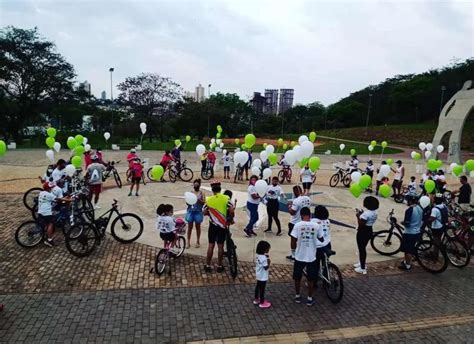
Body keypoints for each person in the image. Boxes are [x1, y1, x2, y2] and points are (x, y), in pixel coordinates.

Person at [291, 207, 324, 306]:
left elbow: (293, 240)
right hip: (311, 256)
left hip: (299, 256)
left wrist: (293, 253)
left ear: (301, 215)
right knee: (311, 278)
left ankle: (297, 296)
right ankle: (309, 298)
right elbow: (321, 239)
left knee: (297, 277)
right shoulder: (316, 226)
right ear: (310, 215)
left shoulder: (297, 225)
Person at [203, 180, 234, 272]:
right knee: (220, 246)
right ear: (220, 189)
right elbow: (231, 210)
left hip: (212, 225)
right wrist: (230, 218)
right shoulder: (226, 198)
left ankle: (208, 265)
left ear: (212, 190)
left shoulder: (208, 200)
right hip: (222, 226)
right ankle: (220, 266)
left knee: (211, 245)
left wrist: (210, 213)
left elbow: (204, 212)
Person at [37, 181, 70, 247]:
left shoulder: (41, 193)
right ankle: (49, 240)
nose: (51, 189)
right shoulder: (49, 195)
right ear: (48, 188)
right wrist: (69, 200)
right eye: (50, 188)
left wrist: (64, 198)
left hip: (40, 211)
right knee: (51, 224)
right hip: (46, 212)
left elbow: (56, 200)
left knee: (46, 224)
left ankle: (45, 236)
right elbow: (59, 199)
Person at [354, 196, 379, 274]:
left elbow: (361, 224)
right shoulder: (374, 212)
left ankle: (362, 268)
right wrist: (362, 214)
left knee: (361, 249)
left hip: (363, 231)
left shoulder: (367, 214)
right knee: (362, 248)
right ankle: (361, 263)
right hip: (369, 229)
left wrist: (358, 216)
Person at [399, 195, 423, 271]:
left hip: (409, 232)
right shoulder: (420, 208)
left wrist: (402, 222)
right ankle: (406, 261)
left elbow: (407, 223)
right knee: (410, 248)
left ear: (410, 201)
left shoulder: (409, 210)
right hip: (417, 231)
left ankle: (407, 265)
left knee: (408, 250)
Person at [287, 185, 311, 260]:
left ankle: (293, 255)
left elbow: (292, 212)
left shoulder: (296, 201)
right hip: (305, 222)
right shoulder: (308, 198)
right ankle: (303, 253)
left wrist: (289, 206)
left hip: (295, 222)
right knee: (303, 239)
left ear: (295, 192)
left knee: (293, 239)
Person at [313, 205, 331, 280]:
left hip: (318, 246)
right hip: (327, 244)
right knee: (325, 263)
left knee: (315, 264)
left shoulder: (313, 221)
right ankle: (326, 277)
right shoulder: (327, 221)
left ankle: (314, 281)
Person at [185, 179, 204, 248]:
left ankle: (198, 241)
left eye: (197, 185)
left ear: (199, 185)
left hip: (198, 212)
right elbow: (187, 203)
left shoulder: (202, 193)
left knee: (198, 227)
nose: (195, 186)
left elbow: (203, 203)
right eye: (194, 184)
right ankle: (188, 242)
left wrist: (198, 200)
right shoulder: (191, 193)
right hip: (191, 211)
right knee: (189, 227)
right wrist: (188, 202)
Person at [254, 240, 272, 309]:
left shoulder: (259, 256)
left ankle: (256, 299)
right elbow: (265, 267)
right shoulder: (264, 258)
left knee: (257, 287)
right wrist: (269, 262)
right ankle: (262, 302)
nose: (268, 250)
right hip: (263, 276)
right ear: (264, 249)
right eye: (268, 249)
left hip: (258, 275)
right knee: (262, 289)